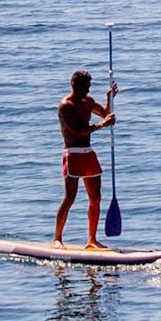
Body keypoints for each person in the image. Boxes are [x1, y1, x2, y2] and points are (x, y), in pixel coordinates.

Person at [53, 69, 117, 249]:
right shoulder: (66, 105)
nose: (88, 91)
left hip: (88, 152)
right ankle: (57, 238)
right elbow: (76, 131)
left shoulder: (88, 101)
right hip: (72, 153)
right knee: (70, 198)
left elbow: (105, 114)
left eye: (89, 87)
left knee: (95, 198)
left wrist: (109, 99)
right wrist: (102, 125)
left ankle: (92, 239)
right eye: (84, 87)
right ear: (74, 85)